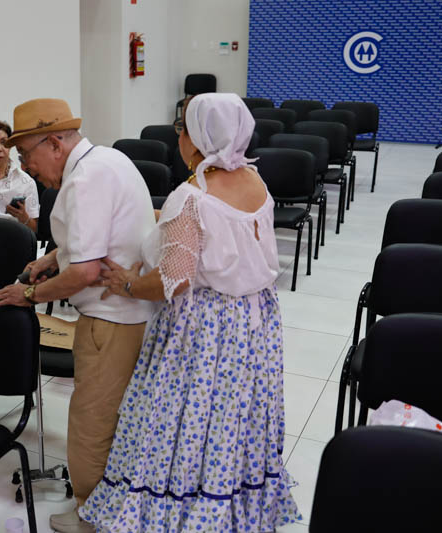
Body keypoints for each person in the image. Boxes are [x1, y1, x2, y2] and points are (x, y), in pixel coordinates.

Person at [79, 93, 301, 531]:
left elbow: (173, 281)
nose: (178, 136)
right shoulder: (254, 180)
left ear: (196, 139)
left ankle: (178, 507)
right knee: (231, 415)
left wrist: (126, 283)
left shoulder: (191, 196)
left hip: (205, 327)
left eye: (182, 128)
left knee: (181, 416)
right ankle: (228, 500)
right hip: (253, 321)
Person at [0, 98, 155, 533]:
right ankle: (110, 508)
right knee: (114, 419)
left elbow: (85, 272)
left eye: (26, 154)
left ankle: (91, 516)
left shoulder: (84, 180)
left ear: (54, 143)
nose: (27, 167)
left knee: (91, 424)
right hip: (130, 315)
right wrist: (55, 258)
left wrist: (28, 294)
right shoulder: (107, 160)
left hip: (111, 320)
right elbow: (97, 241)